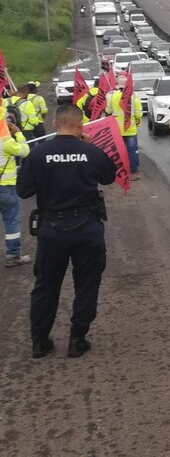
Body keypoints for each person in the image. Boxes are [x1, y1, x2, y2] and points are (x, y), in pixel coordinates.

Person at [17, 104, 118, 359]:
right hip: (87, 229)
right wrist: (91, 147)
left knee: (46, 286)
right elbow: (108, 176)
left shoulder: (38, 154)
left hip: (52, 230)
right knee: (87, 284)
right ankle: (77, 339)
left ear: (55, 123)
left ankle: (40, 342)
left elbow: (23, 190)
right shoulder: (91, 152)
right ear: (80, 125)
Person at [1, 117, 31, 268]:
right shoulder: (6, 142)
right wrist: (18, 133)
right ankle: (13, 255)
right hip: (6, 188)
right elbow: (25, 151)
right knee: (11, 221)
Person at [105, 74, 143, 181]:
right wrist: (137, 120)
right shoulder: (134, 96)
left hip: (117, 129)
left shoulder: (112, 96)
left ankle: (120, 172)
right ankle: (134, 172)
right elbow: (138, 113)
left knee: (118, 151)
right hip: (130, 128)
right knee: (132, 151)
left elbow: (108, 110)